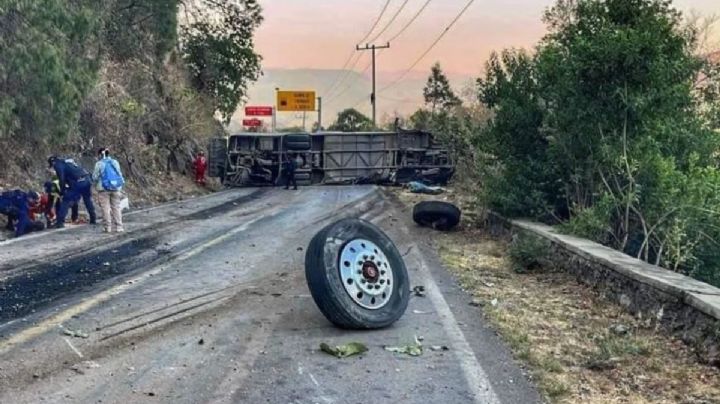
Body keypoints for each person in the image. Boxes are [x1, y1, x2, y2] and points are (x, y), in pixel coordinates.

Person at [48, 156, 97, 228]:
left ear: (53, 162)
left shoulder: (58, 164)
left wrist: (62, 191)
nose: (53, 168)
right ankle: (93, 219)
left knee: (66, 200)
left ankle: (60, 222)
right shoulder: (68, 162)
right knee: (87, 199)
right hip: (87, 179)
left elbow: (62, 179)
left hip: (78, 182)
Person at [92, 148, 125, 233]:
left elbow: (94, 177)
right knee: (116, 207)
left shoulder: (99, 164)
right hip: (116, 188)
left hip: (104, 189)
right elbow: (119, 174)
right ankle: (119, 227)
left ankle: (108, 227)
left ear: (100, 154)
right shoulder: (115, 162)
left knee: (105, 208)